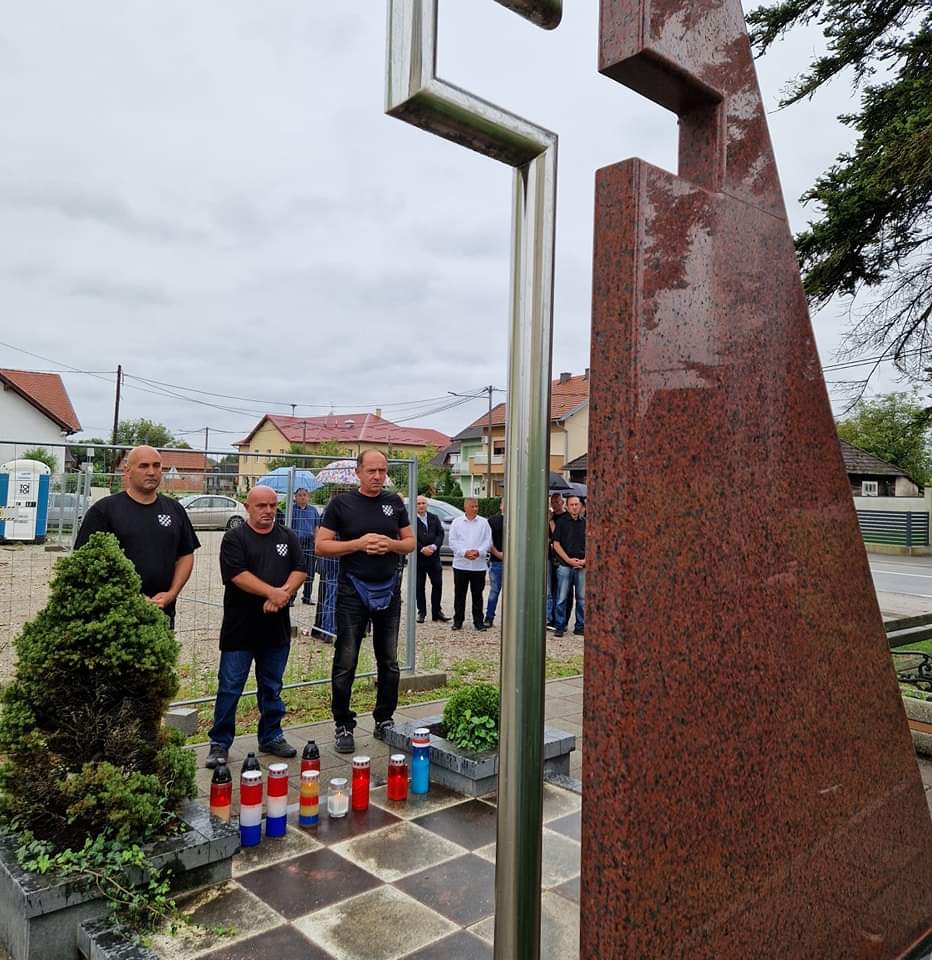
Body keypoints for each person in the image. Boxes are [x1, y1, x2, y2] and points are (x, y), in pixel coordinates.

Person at [316, 450, 415, 754]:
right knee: (346, 659)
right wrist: (358, 544)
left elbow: (410, 542)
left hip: (389, 590)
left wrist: (391, 544)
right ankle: (343, 723)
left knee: (389, 661)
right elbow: (321, 545)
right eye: (371, 471)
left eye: (382, 471)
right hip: (352, 591)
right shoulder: (341, 504)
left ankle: (384, 719)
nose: (377, 476)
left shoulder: (394, 502)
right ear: (358, 472)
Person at [205, 485, 306, 768]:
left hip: (276, 629)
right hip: (240, 629)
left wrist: (283, 593)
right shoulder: (235, 538)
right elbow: (237, 574)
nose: (268, 511)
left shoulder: (287, 536)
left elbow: (300, 569)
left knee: (272, 687)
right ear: (247, 507)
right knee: (230, 687)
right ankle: (219, 742)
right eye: (262, 506)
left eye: (273, 505)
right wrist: (272, 593)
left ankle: (271, 735)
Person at [75, 445, 199, 628]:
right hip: (114, 617)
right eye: (143, 466)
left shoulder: (174, 509)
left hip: (161, 610)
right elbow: (85, 564)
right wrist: (129, 596)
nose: (151, 472)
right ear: (127, 471)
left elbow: (186, 555)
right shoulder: (104, 511)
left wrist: (172, 593)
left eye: (156, 466)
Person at [449, 497, 492, 632]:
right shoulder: (457, 522)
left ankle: (478, 621)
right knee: (459, 594)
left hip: (478, 566)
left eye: (476, 506)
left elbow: (488, 541)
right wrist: (464, 552)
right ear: (465, 507)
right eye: (472, 506)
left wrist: (479, 552)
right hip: (461, 564)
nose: (475, 509)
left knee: (477, 594)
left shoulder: (484, 522)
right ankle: (458, 621)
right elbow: (452, 541)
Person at [552, 494, 586, 638]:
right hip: (565, 565)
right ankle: (560, 625)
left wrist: (585, 560)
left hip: (582, 565)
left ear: (581, 506)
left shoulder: (586, 523)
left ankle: (580, 626)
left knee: (582, 598)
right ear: (567, 506)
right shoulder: (561, 522)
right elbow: (556, 544)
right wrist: (568, 560)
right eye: (571, 505)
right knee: (561, 597)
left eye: (576, 504)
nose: (574, 507)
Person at [415, 495, 449, 624]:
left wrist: (434, 546)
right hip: (419, 558)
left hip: (434, 558)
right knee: (419, 586)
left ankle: (437, 612)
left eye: (423, 503)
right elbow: (410, 536)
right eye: (418, 503)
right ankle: (421, 612)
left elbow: (440, 534)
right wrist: (422, 549)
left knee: (437, 584)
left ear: (427, 505)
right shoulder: (411, 520)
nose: (421, 506)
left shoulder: (434, 518)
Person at [290, 487, 320, 604]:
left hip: (310, 544)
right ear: (295, 497)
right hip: (296, 544)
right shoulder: (291, 510)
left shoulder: (313, 510)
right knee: (295, 571)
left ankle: (307, 597)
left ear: (308, 497)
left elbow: (316, 527)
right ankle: (291, 597)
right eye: (300, 495)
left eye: (305, 495)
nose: (302, 497)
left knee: (310, 572)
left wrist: (317, 542)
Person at [546, 492, 566, 629]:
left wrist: (551, 521)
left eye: (557, 502)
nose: (554, 504)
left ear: (562, 503)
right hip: (549, 557)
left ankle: (560, 620)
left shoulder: (564, 518)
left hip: (561, 558)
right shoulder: (549, 516)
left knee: (561, 591)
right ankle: (549, 618)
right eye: (552, 502)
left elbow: (557, 536)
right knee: (549, 589)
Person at [484, 497, 504, 628]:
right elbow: (487, 541)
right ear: (501, 505)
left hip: (516, 564)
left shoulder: (521, 520)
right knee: (495, 590)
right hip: (497, 562)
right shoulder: (492, 521)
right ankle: (489, 617)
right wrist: (498, 554)